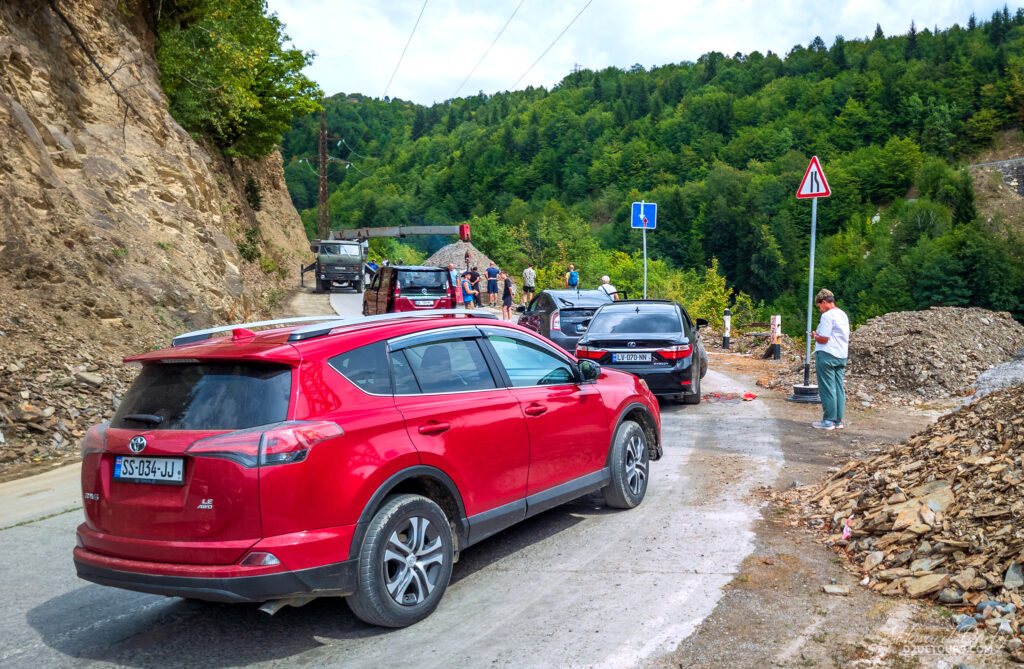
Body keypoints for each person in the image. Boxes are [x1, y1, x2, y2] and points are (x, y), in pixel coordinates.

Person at [809, 288, 850, 430]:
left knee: (827, 388)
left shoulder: (828, 316)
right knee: (838, 388)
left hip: (827, 355)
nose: (820, 309)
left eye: (819, 305)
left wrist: (814, 336)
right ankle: (838, 420)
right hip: (841, 355)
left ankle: (828, 420)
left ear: (824, 302)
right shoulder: (842, 314)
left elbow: (824, 339)